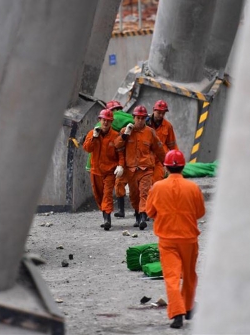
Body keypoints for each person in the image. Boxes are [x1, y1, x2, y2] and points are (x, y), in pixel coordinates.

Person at [146, 150, 205, 329]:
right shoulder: (193, 188)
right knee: (189, 275)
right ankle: (187, 308)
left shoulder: (157, 187)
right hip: (189, 239)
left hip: (167, 239)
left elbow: (149, 212)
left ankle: (178, 313)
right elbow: (200, 212)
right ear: (183, 166)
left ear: (165, 167)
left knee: (171, 278)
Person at [114, 105, 166, 230]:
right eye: (138, 118)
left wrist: (166, 163)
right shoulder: (126, 131)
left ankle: (143, 217)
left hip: (146, 169)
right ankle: (138, 215)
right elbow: (117, 145)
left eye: (143, 118)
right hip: (130, 169)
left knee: (144, 193)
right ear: (134, 118)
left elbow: (159, 149)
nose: (140, 120)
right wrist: (125, 135)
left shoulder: (150, 132)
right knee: (134, 195)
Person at [83, 109, 124, 230]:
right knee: (98, 195)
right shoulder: (92, 133)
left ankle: (107, 220)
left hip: (109, 172)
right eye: (104, 120)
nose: (106, 123)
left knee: (107, 195)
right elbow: (87, 148)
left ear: (111, 122)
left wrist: (120, 165)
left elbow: (120, 153)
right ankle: (105, 214)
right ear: (100, 120)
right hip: (95, 171)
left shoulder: (115, 136)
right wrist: (94, 138)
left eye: (108, 121)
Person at [105, 100, 134, 218]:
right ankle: (122, 211)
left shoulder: (118, 126)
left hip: (131, 160)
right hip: (125, 159)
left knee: (138, 187)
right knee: (120, 184)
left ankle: (142, 212)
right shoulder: (125, 127)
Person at [146, 100, 179, 183]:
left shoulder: (167, 126)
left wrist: (176, 160)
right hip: (146, 159)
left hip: (160, 160)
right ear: (154, 110)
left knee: (157, 182)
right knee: (145, 184)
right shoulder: (145, 123)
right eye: (159, 113)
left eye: (163, 113)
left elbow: (172, 145)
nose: (160, 115)